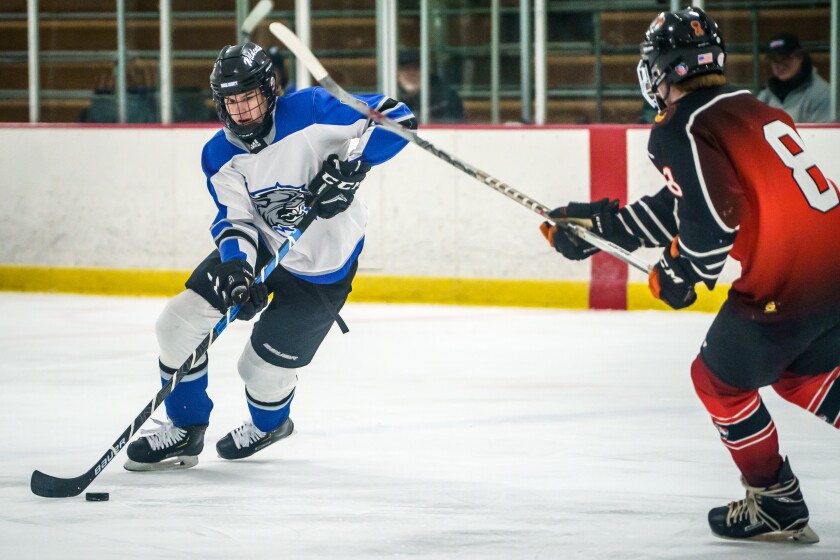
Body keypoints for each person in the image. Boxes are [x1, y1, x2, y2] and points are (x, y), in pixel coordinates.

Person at [539, 8, 839, 543]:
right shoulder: (750, 107)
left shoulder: (682, 127)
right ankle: (778, 497)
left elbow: (715, 219)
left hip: (788, 283)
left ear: (660, 69)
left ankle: (776, 501)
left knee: (718, 380)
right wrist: (604, 225)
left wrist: (684, 273)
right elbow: (696, 201)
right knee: (798, 373)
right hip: (830, 265)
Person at [123, 42, 415, 470]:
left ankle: (270, 424)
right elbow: (234, 220)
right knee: (178, 323)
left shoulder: (312, 109)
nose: (241, 111)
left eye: (249, 97)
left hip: (322, 265)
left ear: (270, 90)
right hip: (261, 246)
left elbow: (400, 118)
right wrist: (239, 269)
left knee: (258, 369)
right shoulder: (219, 153)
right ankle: (185, 429)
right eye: (231, 101)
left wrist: (356, 167)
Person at [756, 33, 832, 123]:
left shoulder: (821, 94)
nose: (779, 64)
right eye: (774, 59)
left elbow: (822, 135)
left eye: (785, 58)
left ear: (800, 57)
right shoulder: (767, 94)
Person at [397, 51, 465, 124]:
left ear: (427, 72)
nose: (411, 74)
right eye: (405, 69)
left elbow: (451, 127)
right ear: (397, 74)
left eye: (416, 68)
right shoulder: (390, 95)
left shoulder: (446, 98)